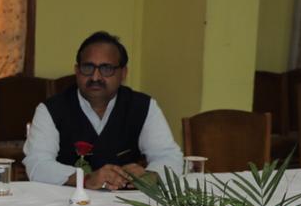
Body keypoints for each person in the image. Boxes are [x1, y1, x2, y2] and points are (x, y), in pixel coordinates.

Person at [23, 31, 182, 190]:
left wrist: (150, 176)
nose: (95, 77)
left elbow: (169, 156)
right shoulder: (51, 110)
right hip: (67, 202)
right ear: (77, 71)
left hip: (125, 202)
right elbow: (37, 164)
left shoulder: (143, 106)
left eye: (106, 69)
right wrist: (85, 179)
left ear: (123, 73)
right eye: (88, 67)